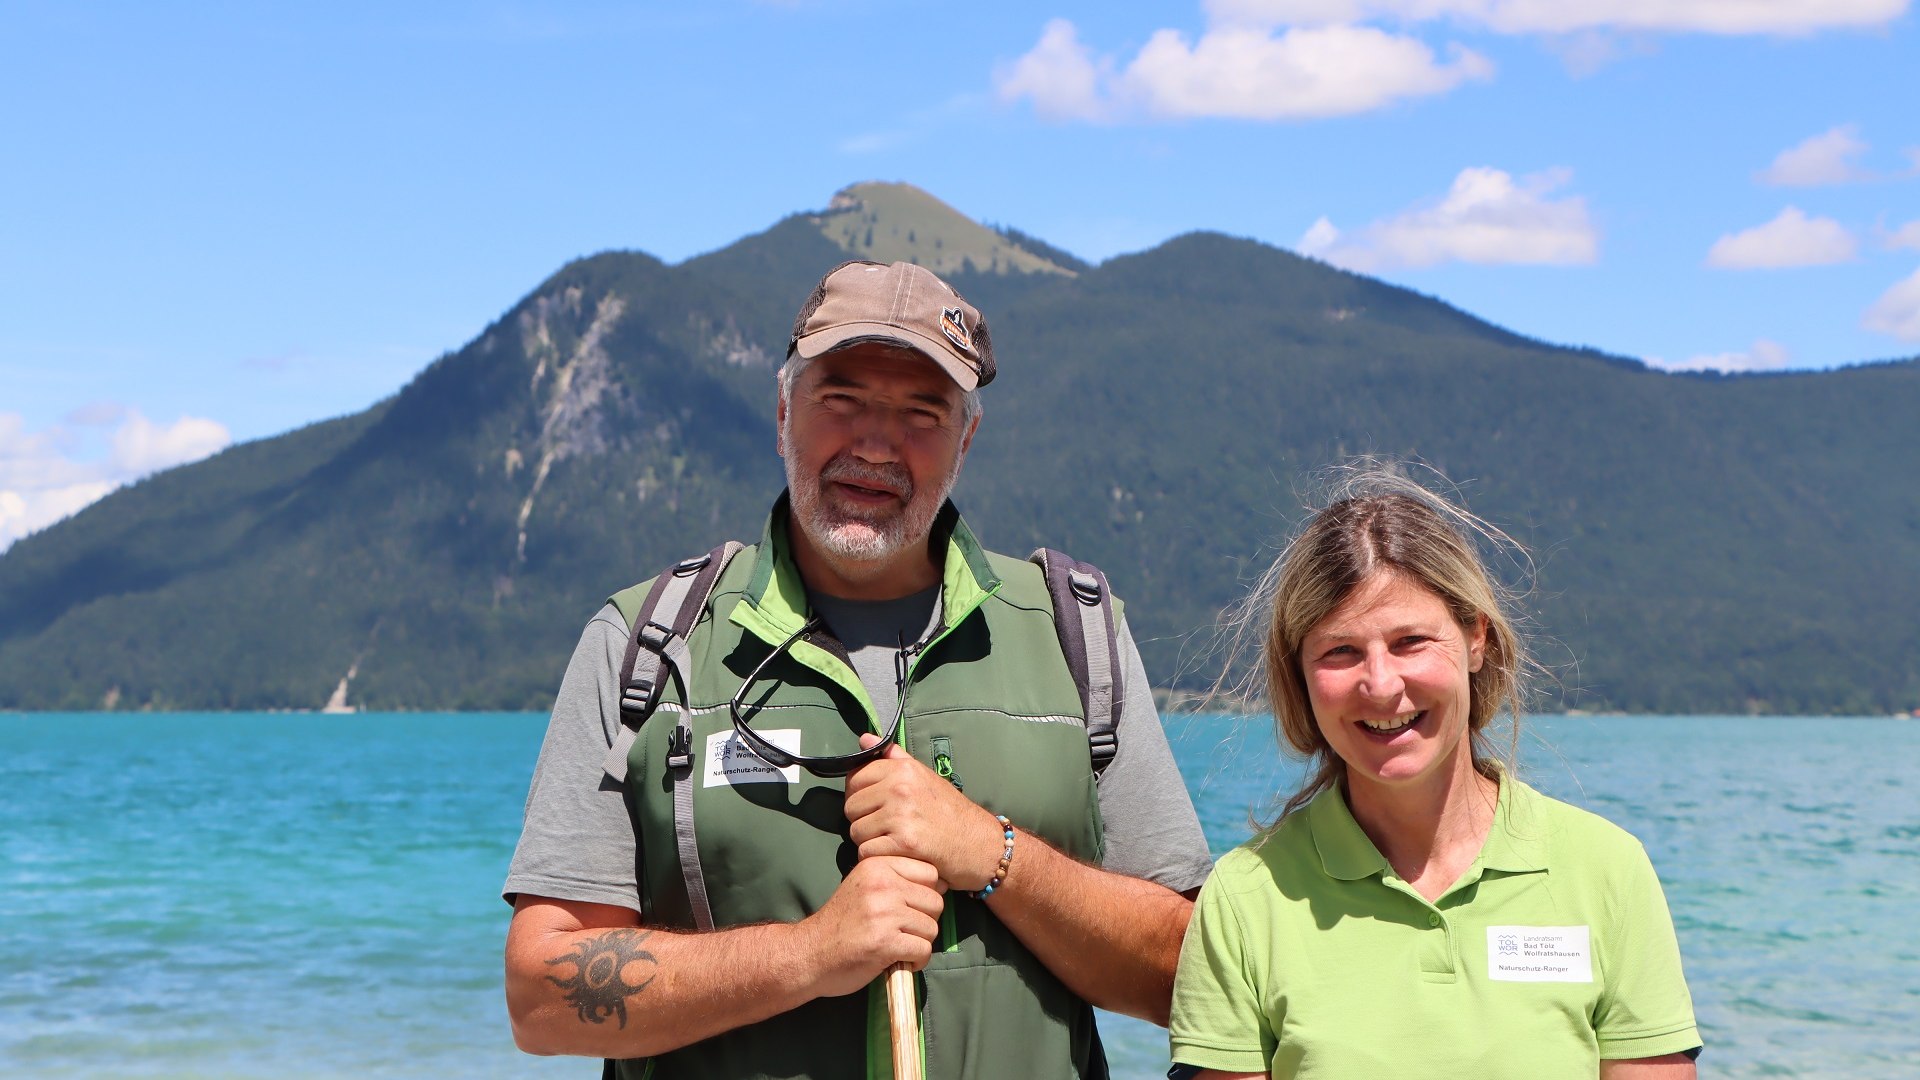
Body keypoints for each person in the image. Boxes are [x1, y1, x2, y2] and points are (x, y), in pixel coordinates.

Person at [503, 259, 1212, 1079]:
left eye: (922, 412)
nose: (876, 444)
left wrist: (992, 852)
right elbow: (540, 999)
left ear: (967, 439)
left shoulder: (1074, 632)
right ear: (782, 412)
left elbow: (1184, 979)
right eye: (840, 400)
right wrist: (809, 956)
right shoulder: (647, 644)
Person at [1169, 469, 1701, 1079]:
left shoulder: (1607, 871)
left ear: (1476, 638)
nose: (1381, 684)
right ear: (1301, 675)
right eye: (1340, 651)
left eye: (1410, 641)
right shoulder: (1245, 899)